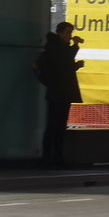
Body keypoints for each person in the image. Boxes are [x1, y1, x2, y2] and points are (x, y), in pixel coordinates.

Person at [36, 21, 84, 168]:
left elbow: (64, 67)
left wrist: (75, 65)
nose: (70, 37)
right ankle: (50, 158)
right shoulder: (55, 47)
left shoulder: (57, 48)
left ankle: (55, 157)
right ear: (61, 33)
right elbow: (63, 63)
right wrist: (75, 46)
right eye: (68, 33)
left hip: (60, 91)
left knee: (58, 126)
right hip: (58, 92)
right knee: (54, 126)